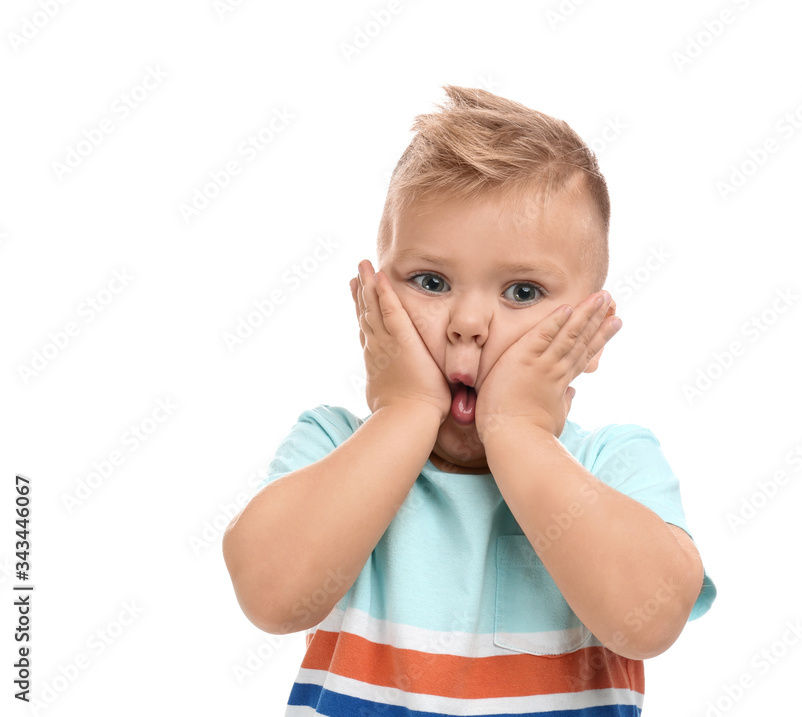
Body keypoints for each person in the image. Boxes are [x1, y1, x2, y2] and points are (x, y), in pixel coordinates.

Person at [223, 85, 717, 716]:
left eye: (522, 291)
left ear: (591, 332)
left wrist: (519, 430)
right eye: (431, 282)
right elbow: (270, 597)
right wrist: (405, 410)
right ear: (373, 302)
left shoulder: (613, 462)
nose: (468, 323)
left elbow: (649, 620)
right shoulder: (333, 445)